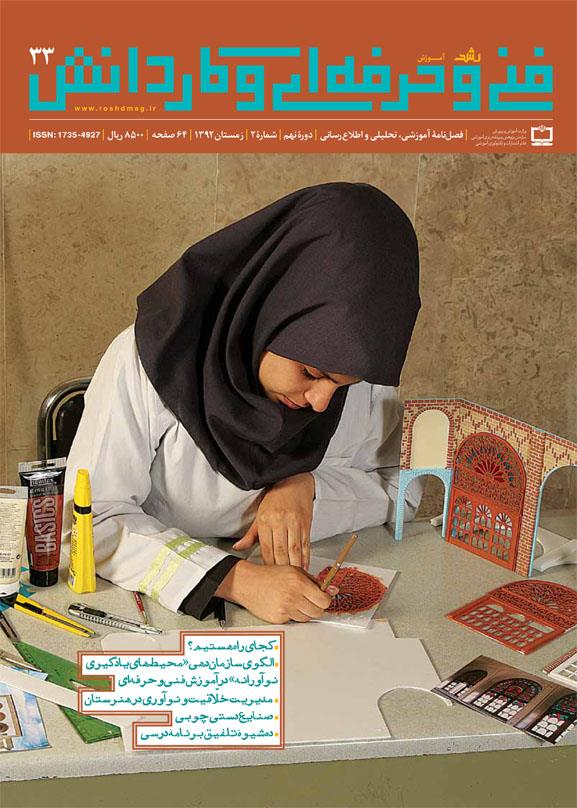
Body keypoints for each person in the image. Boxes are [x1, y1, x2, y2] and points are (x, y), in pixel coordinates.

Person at [64, 182, 423, 625]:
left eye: (343, 385)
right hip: (166, 608)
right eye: (311, 374)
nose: (321, 402)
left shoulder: (349, 372)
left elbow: (403, 490)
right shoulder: (149, 360)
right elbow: (91, 522)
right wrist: (235, 580)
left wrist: (307, 485)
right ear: (269, 312)